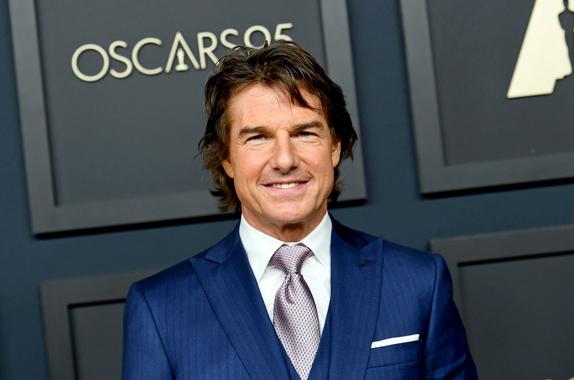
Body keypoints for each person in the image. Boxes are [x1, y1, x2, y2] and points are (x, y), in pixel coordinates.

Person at [122, 41, 477, 380]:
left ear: (335, 147)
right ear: (226, 158)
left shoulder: (417, 282)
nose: (285, 159)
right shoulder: (160, 308)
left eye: (305, 133)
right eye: (257, 137)